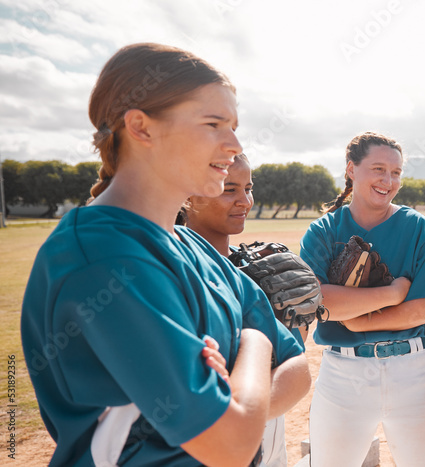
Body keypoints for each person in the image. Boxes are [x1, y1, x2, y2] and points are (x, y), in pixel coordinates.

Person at [20, 43, 303, 466]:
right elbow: (229, 446)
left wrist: (240, 396)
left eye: (234, 126)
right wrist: (256, 341)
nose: (234, 144)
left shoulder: (195, 248)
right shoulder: (102, 257)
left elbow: (298, 369)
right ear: (142, 127)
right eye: (214, 123)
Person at [300, 132, 425, 466]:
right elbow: (320, 302)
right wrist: (393, 293)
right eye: (378, 169)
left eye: (396, 172)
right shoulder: (323, 231)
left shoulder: (417, 228)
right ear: (352, 169)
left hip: (415, 371)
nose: (388, 180)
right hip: (343, 372)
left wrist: (358, 319)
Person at [182, 152, 311, 467]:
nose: (245, 200)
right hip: (197, 438)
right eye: (230, 189)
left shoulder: (252, 273)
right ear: (186, 194)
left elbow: (296, 363)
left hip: (264, 419)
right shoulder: (173, 269)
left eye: (248, 188)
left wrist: (245, 413)